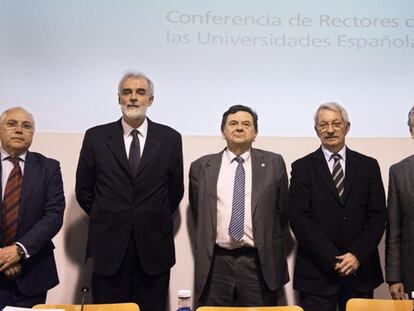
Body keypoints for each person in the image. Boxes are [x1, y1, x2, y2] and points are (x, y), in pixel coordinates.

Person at [76, 72, 184, 311]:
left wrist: (150, 216)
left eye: (140, 92)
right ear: (119, 98)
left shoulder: (170, 138)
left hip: (154, 248)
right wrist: (109, 215)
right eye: (127, 92)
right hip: (108, 248)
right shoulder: (95, 137)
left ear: (151, 100)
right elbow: (84, 190)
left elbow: (175, 191)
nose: (133, 98)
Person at [288, 102, 386, 311]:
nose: (330, 130)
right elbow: (299, 218)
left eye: (336, 123)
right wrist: (333, 259)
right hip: (317, 273)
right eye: (323, 125)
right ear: (316, 131)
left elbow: (377, 216)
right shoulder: (302, 167)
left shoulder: (368, 166)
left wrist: (356, 255)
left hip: (360, 272)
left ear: (347, 127)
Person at [189, 105, 289, 307]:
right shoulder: (201, 167)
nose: (239, 128)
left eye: (246, 124)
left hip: (258, 263)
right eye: (233, 123)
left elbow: (282, 212)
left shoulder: (274, 163)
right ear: (223, 132)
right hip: (216, 263)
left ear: (255, 133)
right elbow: (199, 212)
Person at [0, 107, 65, 308]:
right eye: (12, 124)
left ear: (33, 134)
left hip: (32, 272)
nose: (19, 129)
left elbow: (54, 215)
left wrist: (18, 251)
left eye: (26, 126)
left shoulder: (49, 167)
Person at [385, 105, 414, 300]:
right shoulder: (398, 172)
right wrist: (394, 277)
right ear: (412, 132)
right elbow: (393, 229)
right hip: (411, 273)